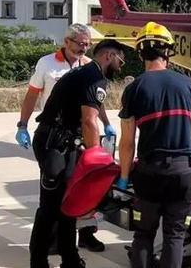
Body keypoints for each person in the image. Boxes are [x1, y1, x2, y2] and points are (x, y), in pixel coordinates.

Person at [27, 38, 128, 268]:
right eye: (120, 59)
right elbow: (89, 121)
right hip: (55, 142)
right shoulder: (94, 77)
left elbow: (89, 115)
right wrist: (96, 161)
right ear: (108, 56)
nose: (121, 65)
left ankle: (69, 257)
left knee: (68, 204)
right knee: (50, 206)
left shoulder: (87, 74)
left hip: (66, 141)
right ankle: (38, 260)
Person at [16, 23, 115, 252]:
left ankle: (87, 234)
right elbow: (32, 96)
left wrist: (107, 124)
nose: (83, 48)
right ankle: (51, 243)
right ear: (66, 41)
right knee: (54, 191)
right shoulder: (47, 64)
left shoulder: (89, 66)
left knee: (83, 187)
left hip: (79, 135)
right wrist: (23, 124)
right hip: (55, 136)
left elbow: (94, 104)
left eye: (87, 45)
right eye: (80, 43)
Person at [117, 22, 191, 268]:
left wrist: (124, 176)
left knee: (143, 234)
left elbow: (127, 142)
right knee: (175, 235)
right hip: (183, 171)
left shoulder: (133, 88)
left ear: (141, 53)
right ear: (168, 51)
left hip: (149, 171)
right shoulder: (188, 84)